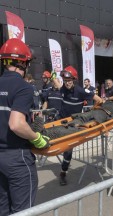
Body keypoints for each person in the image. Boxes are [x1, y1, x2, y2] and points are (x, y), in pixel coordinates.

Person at [0, 38, 50, 215]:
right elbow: (16, 124)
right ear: (23, 62)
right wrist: (37, 138)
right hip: (17, 158)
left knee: (3, 209)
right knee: (23, 211)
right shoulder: (23, 87)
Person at [51, 65, 103, 186]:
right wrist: (53, 75)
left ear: (74, 80)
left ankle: (63, 172)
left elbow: (99, 100)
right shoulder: (62, 88)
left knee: (67, 149)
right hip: (60, 120)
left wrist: (92, 113)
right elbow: (57, 83)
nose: (67, 83)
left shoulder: (81, 91)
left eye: (69, 81)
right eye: (65, 81)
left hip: (73, 124)